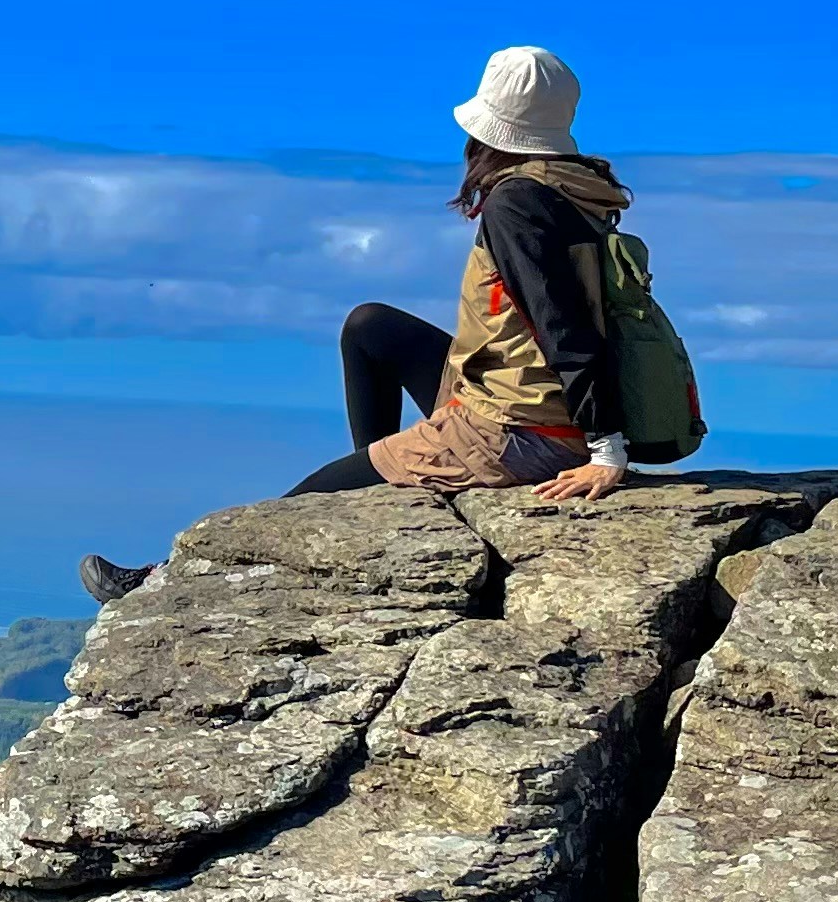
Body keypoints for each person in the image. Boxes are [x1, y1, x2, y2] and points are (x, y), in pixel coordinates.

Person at [79, 46, 639, 604]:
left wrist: (605, 451)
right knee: (370, 327)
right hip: (514, 392)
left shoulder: (517, 202)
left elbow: (563, 325)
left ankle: (163, 583)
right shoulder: (574, 190)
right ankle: (387, 493)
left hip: (521, 426)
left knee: (307, 500)